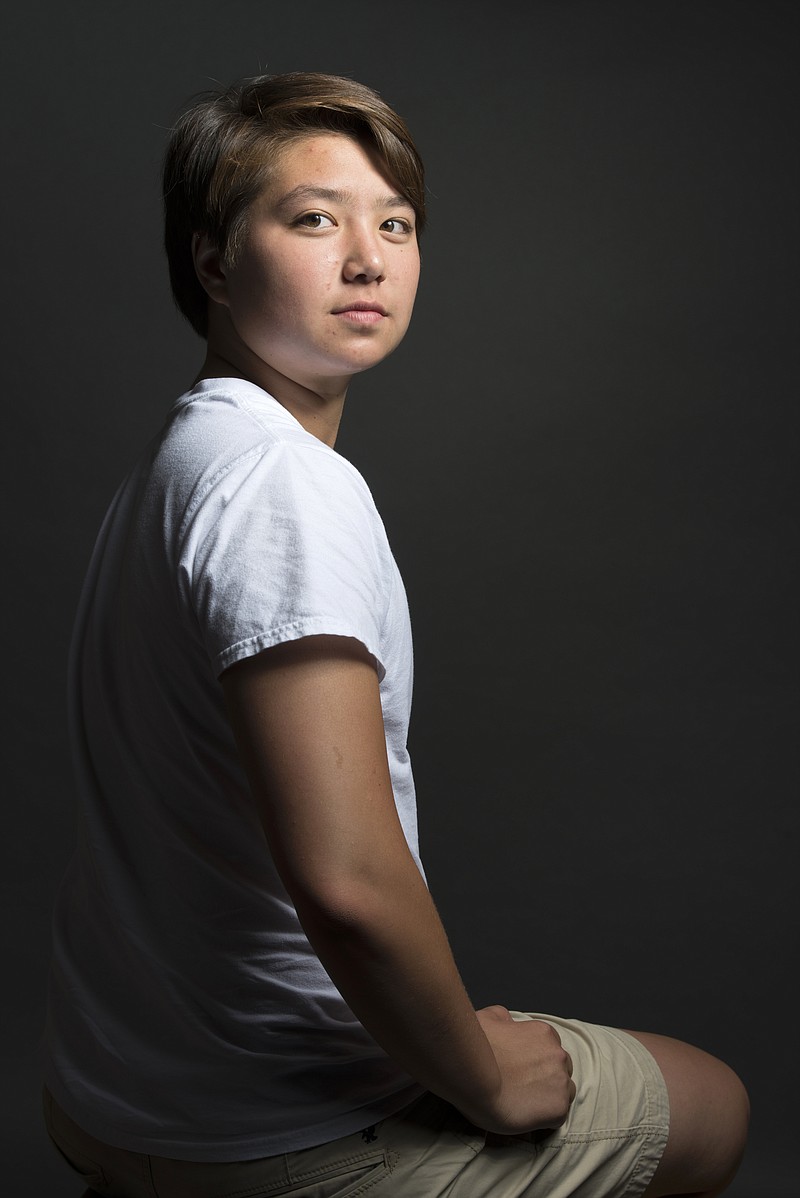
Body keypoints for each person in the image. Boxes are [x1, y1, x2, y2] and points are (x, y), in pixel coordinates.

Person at [42, 72, 748, 1198]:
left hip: (111, 1092)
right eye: (314, 218)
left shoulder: (181, 460)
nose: (368, 258)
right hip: (257, 1132)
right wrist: (479, 1077)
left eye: (396, 223)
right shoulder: (282, 487)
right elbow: (349, 883)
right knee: (710, 1102)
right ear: (214, 261)